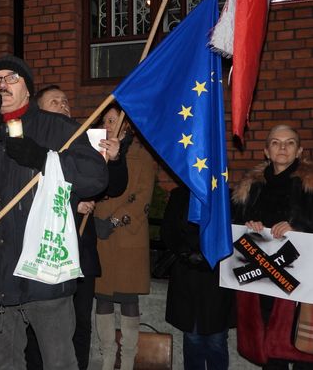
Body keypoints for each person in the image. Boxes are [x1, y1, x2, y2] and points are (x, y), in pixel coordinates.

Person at [0, 55, 108, 370]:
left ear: (28, 89)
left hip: (44, 276)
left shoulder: (57, 127)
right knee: (4, 362)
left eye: (11, 78)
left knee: (59, 362)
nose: (2, 84)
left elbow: (95, 177)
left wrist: (43, 158)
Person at [23, 85, 126, 370]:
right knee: (38, 325)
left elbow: (113, 186)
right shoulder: (28, 142)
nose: (63, 105)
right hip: (44, 250)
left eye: (65, 101)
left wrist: (115, 160)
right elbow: (26, 194)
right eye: (55, 101)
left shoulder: (84, 140)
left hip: (79, 248)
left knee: (80, 322)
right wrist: (72, 203)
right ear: (39, 110)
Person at [232, 124, 313, 369]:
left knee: (303, 353)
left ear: (299, 151)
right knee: (270, 353)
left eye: (289, 143)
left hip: (302, 285)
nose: (282, 148)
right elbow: (236, 226)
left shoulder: (310, 185)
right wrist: (249, 225)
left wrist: (298, 227)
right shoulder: (250, 187)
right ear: (267, 151)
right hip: (264, 283)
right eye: (276, 143)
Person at [94, 103, 155, 370]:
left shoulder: (142, 156)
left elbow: (143, 197)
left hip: (129, 236)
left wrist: (114, 220)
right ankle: (107, 357)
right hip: (101, 237)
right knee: (102, 298)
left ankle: (128, 358)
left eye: (113, 120)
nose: (108, 126)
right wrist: (92, 216)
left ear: (126, 125)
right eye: (105, 121)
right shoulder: (95, 153)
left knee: (129, 300)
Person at [161, 185, 235, 370]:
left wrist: (211, 254)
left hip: (217, 276)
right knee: (192, 336)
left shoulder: (227, 195)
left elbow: (234, 232)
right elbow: (168, 231)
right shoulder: (180, 195)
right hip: (188, 272)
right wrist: (185, 253)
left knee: (216, 338)